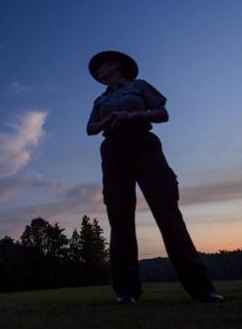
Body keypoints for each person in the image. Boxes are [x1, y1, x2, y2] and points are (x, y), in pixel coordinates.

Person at [86, 50, 225, 305]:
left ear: (116, 65)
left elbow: (162, 113)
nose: (98, 70)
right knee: (120, 219)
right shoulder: (99, 100)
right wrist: (108, 119)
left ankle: (201, 288)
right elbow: (90, 129)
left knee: (167, 213)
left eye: (102, 65)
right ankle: (126, 292)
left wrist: (131, 116)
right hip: (113, 151)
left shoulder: (139, 86)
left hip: (144, 145)